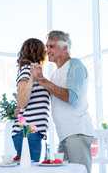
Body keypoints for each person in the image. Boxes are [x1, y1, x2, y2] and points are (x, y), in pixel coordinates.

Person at [32, 30, 94, 173]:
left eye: (51, 46)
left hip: (77, 132)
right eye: (47, 47)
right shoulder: (55, 74)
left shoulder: (75, 65)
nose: (47, 50)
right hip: (65, 134)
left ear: (64, 48)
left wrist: (42, 80)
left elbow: (71, 97)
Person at [12, 38, 50, 162]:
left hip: (32, 132)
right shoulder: (26, 70)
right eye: (45, 50)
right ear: (39, 52)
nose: (47, 53)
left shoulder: (34, 72)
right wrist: (33, 78)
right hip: (28, 132)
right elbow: (22, 101)